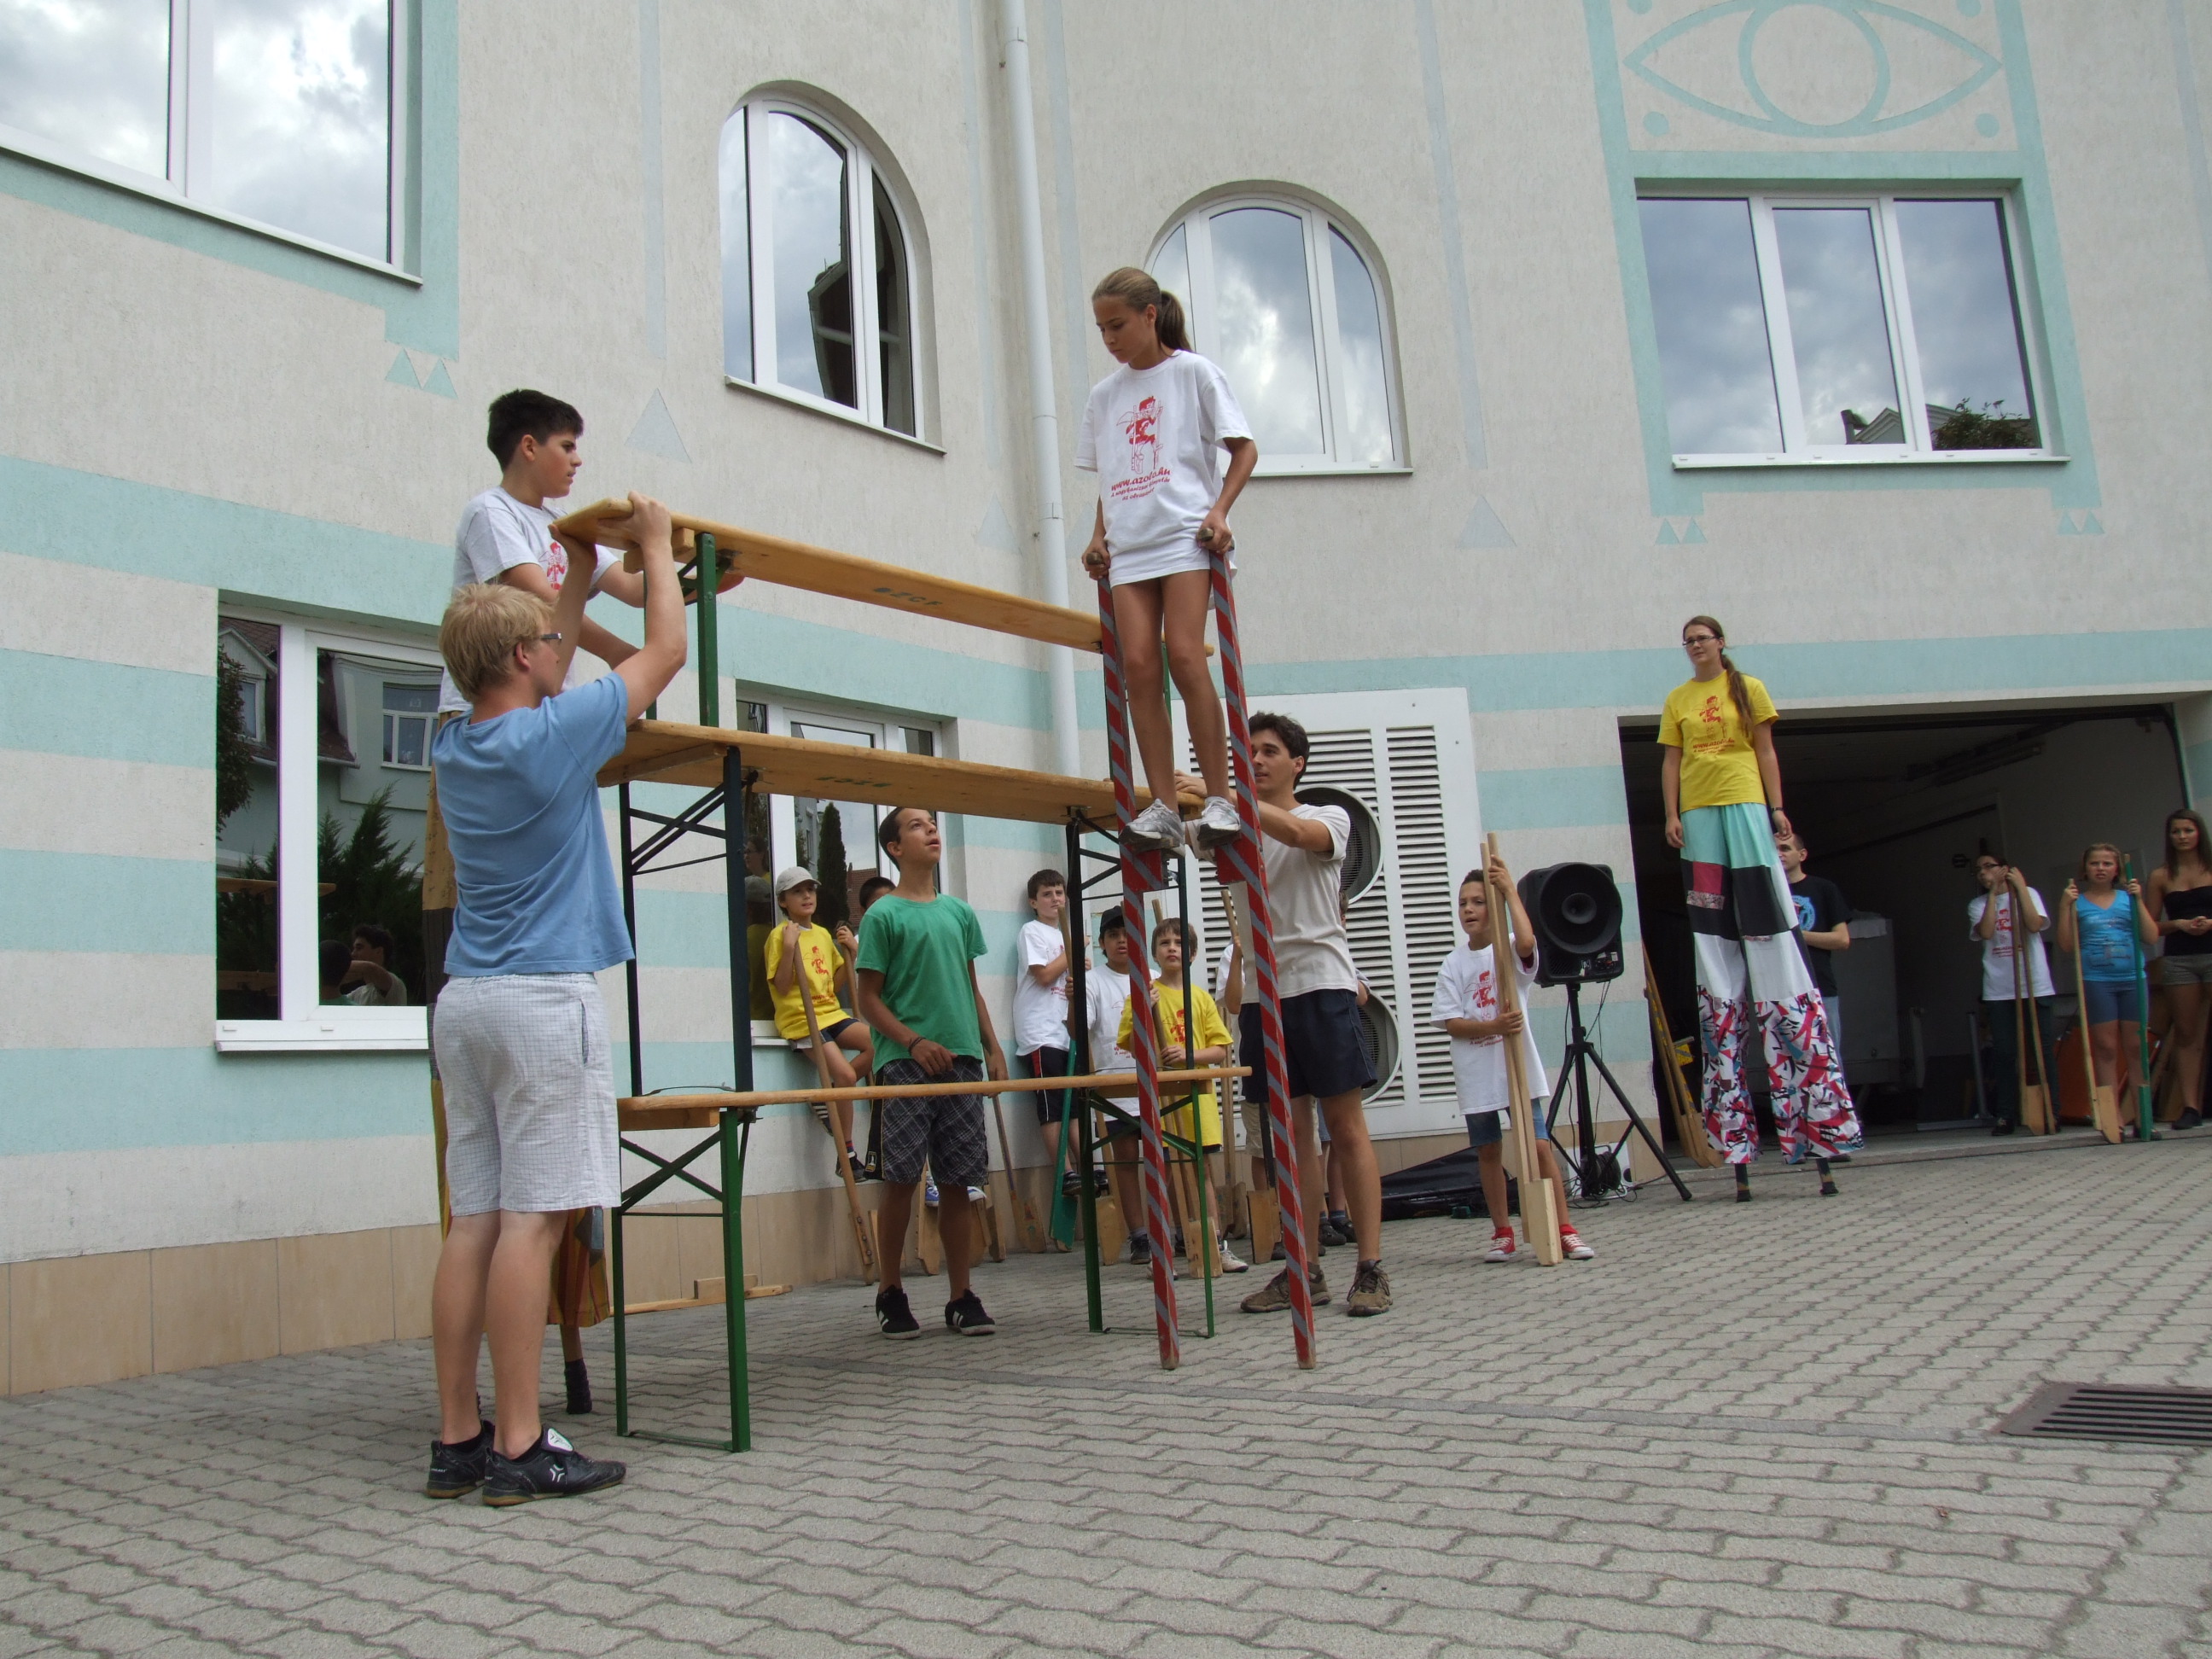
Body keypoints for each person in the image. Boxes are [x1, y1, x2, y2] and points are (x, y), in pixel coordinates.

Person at [425, 491, 684, 1505]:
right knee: (534, 1225)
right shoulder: (554, 738)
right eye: (545, 645)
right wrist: (653, 549)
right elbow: (663, 654)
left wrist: (571, 566)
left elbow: (546, 651)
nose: (557, 652)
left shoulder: (455, 744)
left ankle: (459, 1437)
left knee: (476, 1222)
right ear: (522, 660)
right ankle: (523, 1443)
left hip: (467, 1004)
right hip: (541, 1005)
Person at [1658, 615, 1859, 1199]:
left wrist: (1776, 808)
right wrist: (1671, 814)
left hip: (1745, 805)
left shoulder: (1748, 689)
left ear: (1721, 643)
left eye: (1703, 638)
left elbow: (1766, 750)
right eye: (1688, 641)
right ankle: (1734, 1134)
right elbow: (1671, 761)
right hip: (1699, 817)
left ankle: (1816, 1126)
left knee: (1771, 935)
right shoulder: (1677, 699)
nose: (1696, 646)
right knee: (1714, 941)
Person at [1076, 266, 1257, 854]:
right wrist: (1098, 535)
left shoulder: (1193, 373)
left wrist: (1220, 511)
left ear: (1150, 315)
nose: (1110, 339)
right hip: (1130, 544)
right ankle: (1163, 806)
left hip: (1184, 534)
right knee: (1138, 666)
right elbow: (1110, 476)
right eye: (1102, 329)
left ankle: (1220, 798)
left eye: (1118, 325)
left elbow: (1244, 449)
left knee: (1183, 653)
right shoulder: (1104, 396)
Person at [1216, 713, 1390, 1318]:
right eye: (1249, 751)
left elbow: (1295, 832)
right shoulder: (1230, 827)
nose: (1257, 760)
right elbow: (1168, 831)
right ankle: (1303, 1268)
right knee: (1291, 1139)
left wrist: (1221, 795)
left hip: (1321, 986)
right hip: (1263, 997)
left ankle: (1370, 1267)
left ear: (1298, 764)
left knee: (1345, 1127)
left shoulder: (1328, 817)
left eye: (1270, 751)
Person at [853, 807, 1009, 1338]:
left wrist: (991, 1046)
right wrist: (913, 1042)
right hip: (904, 1064)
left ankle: (961, 1295)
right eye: (917, 825)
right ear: (895, 848)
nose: (932, 830)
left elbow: (971, 987)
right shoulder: (882, 916)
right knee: (900, 1178)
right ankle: (890, 1291)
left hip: (962, 1060)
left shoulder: (959, 913)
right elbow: (868, 1000)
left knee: (959, 1181)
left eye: (933, 822)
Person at [1431, 856, 1593, 1263]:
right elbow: (1451, 1022)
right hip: (1477, 1074)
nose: (1468, 910)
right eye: (1463, 903)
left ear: (1494, 908)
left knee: (1538, 1146)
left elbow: (1526, 943)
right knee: (1488, 1151)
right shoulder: (1453, 963)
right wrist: (1494, 1026)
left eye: (1478, 902)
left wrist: (1507, 889)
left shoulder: (1505, 948)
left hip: (1516, 1070)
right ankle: (1502, 1232)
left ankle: (1564, 1228)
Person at [1115, 917, 1248, 1274]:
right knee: (1166, 1175)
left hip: (1197, 1102)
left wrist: (1188, 1056)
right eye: (1164, 943)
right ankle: (1166, 1252)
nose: (1172, 948)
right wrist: (1144, 1010)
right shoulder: (1144, 994)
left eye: (1179, 943)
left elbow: (1220, 1049)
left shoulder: (1200, 998)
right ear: (1154, 953)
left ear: (1191, 954)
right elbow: (1132, 1045)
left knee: (1202, 1173)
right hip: (1162, 1102)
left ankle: (1215, 1245)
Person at [765, 865, 875, 1179]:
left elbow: (836, 984)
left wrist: (850, 954)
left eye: (810, 890)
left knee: (880, 1043)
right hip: (802, 1018)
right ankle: (847, 1154)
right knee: (846, 1074)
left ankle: (831, 1093)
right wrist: (789, 947)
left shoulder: (823, 934)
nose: (806, 896)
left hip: (830, 1013)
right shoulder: (779, 935)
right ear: (783, 901)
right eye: (797, 892)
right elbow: (782, 987)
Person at [2056, 842, 2159, 1114]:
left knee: (2136, 1047)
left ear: (2117, 869)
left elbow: (2151, 937)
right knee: (2105, 1047)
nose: (2100, 868)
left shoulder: (2128, 898)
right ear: (2085, 869)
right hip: (2097, 981)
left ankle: (2143, 1118)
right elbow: (2066, 945)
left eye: (2107, 863)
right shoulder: (2077, 902)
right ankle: (2112, 1120)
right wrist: (2064, 907)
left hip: (2132, 979)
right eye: (2094, 863)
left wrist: (2139, 900)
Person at [1969, 853, 2058, 1136]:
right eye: (1978, 870)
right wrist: (1993, 896)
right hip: (1999, 988)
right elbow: (1986, 932)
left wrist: (2019, 888)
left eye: (1989, 867)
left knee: (2042, 1049)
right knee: (2005, 1052)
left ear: (2004, 869)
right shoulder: (1977, 904)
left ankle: (2051, 1111)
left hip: (2034, 983)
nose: (1983, 873)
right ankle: (2006, 1114)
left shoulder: (2028, 894)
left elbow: (2034, 925)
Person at [1085, 911, 1149, 1261]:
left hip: (1155, 1084)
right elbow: (1078, 1029)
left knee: (1166, 1158)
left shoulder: (1153, 978)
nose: (1122, 941)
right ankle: (1139, 1235)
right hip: (1115, 1084)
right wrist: (1074, 1000)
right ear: (1102, 943)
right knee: (1124, 1161)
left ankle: (1173, 1229)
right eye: (1113, 935)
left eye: (1127, 934)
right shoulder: (1092, 981)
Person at [1012, 870, 1079, 1195]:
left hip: (1067, 1032)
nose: (1055, 899)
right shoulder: (1032, 931)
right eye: (1047, 894)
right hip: (1040, 1033)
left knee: (1074, 1105)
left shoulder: (1067, 935)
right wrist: (1073, 953)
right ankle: (1065, 1173)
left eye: (1059, 892)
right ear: (1033, 902)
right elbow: (1043, 975)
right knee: (1052, 1106)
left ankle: (1089, 1167)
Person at [2148, 809, 2212, 1129]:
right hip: (2179, 959)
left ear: (2199, 833)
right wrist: (2179, 924)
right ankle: (2190, 1107)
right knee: (2186, 1034)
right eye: (2176, 832)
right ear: (2169, 836)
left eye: (2188, 830)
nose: (2183, 837)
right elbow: (2150, 927)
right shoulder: (2160, 876)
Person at [842, 873, 897, 1179]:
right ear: (864, 912)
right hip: (884, 1030)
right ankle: (839, 1088)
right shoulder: (864, 939)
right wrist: (853, 949)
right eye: (878, 903)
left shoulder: (904, 933)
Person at [1776, 833, 1848, 1051]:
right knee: (1786, 1061)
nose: (1779, 854)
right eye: (1774, 850)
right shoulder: (1765, 894)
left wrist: (1796, 935)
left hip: (1819, 986)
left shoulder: (1824, 888)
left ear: (1802, 855)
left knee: (1828, 1057)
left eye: (1785, 848)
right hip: (1778, 990)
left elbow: (1842, 940)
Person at [339, 924, 409, 1005]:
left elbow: (370, 968)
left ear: (378, 951)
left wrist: (336, 970)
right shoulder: (356, 995)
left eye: (359, 948)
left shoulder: (395, 985)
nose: (353, 954)